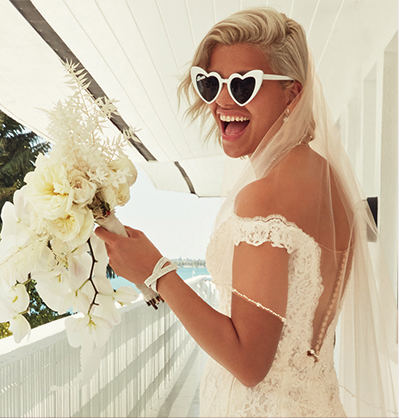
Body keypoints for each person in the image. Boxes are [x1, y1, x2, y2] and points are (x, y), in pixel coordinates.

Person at [95, 8, 397, 417]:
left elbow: (250, 362)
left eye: (242, 86)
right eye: (210, 84)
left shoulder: (266, 195)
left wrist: (157, 272)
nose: (221, 101)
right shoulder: (332, 186)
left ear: (292, 94)